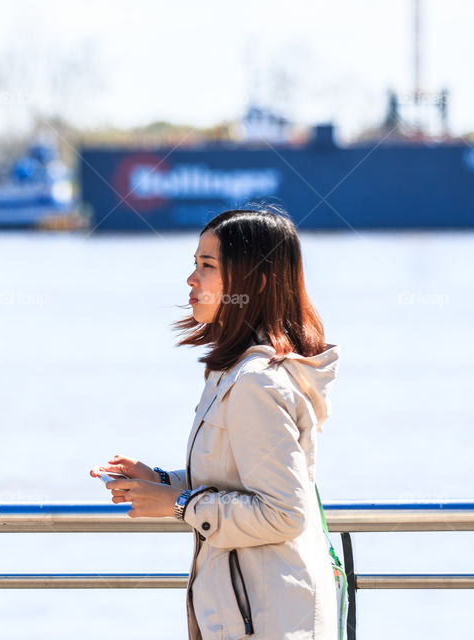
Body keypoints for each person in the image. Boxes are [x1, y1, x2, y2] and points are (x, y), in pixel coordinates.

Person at [90, 207, 341, 639]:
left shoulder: (255, 384)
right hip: (255, 612)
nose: (191, 279)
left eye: (207, 266)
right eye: (195, 263)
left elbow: (283, 514)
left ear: (254, 282)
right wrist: (162, 480)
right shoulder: (236, 373)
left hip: (270, 621)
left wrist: (179, 505)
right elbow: (239, 472)